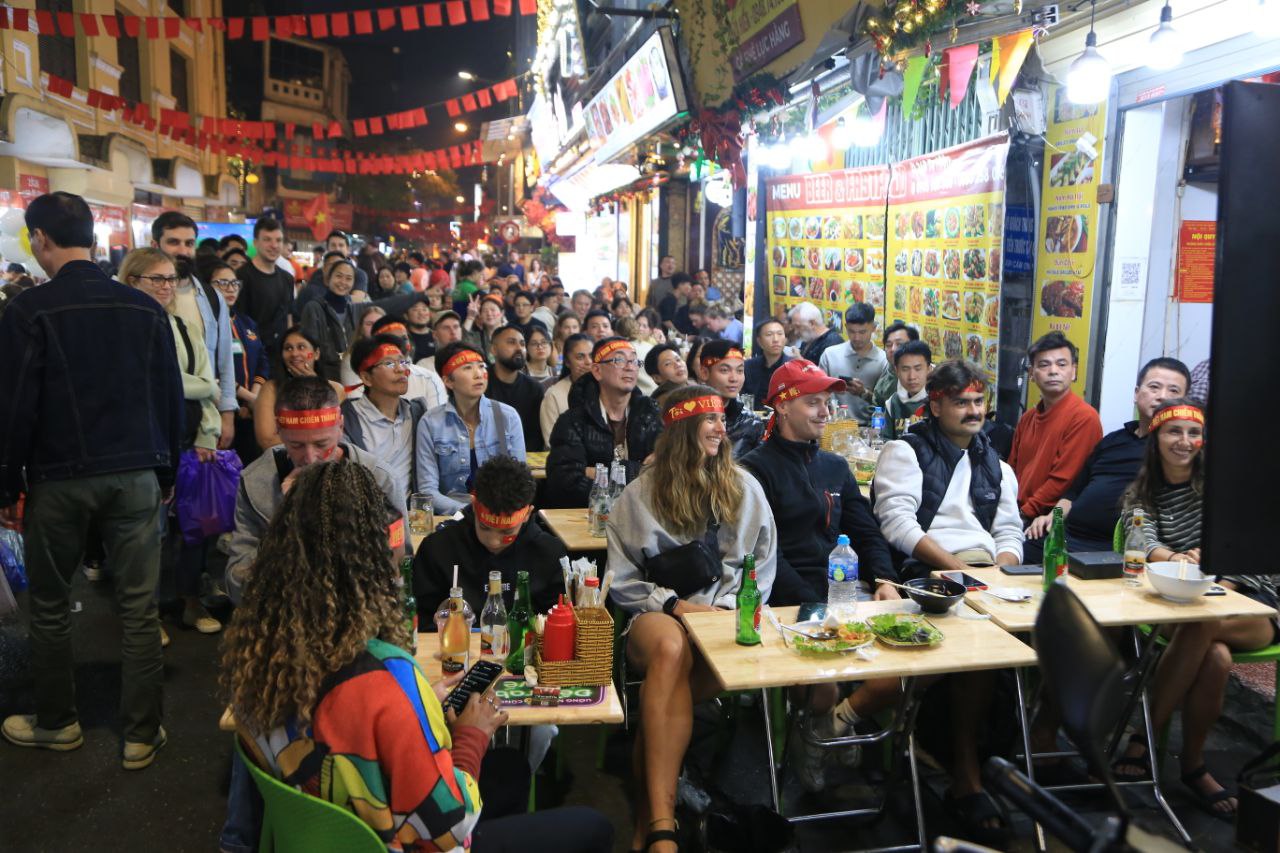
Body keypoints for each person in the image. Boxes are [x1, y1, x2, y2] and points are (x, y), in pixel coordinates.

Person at [222, 459, 612, 853]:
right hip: (401, 841)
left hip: (325, 832)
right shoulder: (389, 676)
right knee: (593, 826)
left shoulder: (262, 656)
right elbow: (451, 827)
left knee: (509, 770)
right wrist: (471, 737)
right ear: (373, 562)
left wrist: (419, 706)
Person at [0, 193, 183, 768]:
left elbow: (14, 406)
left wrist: (6, 484)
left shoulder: (29, 311)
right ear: (93, 237)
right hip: (136, 474)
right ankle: (141, 734)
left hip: (57, 478)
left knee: (51, 604)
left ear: (40, 239)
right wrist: (168, 471)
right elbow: (169, 397)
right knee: (139, 609)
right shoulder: (144, 308)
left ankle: (58, 722)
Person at [606, 383, 776, 852]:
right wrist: (675, 606)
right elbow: (620, 579)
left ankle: (648, 824)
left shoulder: (744, 488)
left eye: (722, 419)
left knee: (662, 699)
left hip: (722, 618)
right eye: (709, 420)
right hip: (657, 613)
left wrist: (725, 610)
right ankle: (665, 829)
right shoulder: (640, 494)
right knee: (670, 647)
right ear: (682, 428)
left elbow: (761, 567)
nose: (721, 429)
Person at [863, 360, 1023, 844]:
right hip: (925, 571)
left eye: (978, 401)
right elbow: (897, 523)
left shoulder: (998, 465)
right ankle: (967, 775)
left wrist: (1000, 571)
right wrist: (958, 571)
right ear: (935, 406)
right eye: (961, 402)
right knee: (980, 650)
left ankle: (1016, 754)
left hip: (989, 574)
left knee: (1060, 635)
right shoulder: (905, 451)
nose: (973, 411)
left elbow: (1009, 531)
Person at [1110, 399, 1277, 819]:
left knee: (1201, 623)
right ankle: (1193, 766)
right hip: (1179, 603)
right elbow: (1143, 542)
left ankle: (1142, 738)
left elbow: (1251, 555)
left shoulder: (1226, 491)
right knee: (1215, 656)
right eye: (1174, 431)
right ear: (1155, 438)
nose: (1184, 441)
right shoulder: (1140, 493)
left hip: (1252, 606)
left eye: (1193, 433)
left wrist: (1215, 579)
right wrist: (1179, 560)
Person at [738, 359, 900, 789]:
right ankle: (819, 729)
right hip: (787, 596)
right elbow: (764, 555)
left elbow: (867, 531)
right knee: (822, 684)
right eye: (813, 402)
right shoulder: (754, 470)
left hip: (846, 592)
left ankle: (834, 725)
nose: (825, 411)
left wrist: (884, 580)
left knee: (904, 670)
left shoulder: (834, 466)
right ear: (782, 407)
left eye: (827, 402)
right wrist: (816, 604)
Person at [121, 248, 224, 636]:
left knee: (195, 529)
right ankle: (146, 616)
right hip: (143, 445)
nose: (166, 286)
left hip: (190, 440)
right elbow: (150, 384)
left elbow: (208, 388)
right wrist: (203, 387)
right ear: (132, 280)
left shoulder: (184, 327)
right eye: (157, 279)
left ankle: (189, 602)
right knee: (149, 534)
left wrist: (208, 433)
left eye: (170, 279)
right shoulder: (122, 329)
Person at [227, 376, 401, 603]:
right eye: (296, 445)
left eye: (321, 444)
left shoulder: (380, 479)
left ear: (340, 427)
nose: (310, 458)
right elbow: (237, 584)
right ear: (279, 430)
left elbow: (398, 569)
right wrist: (288, 520)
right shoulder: (256, 482)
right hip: (283, 610)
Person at [1025, 357, 1190, 553]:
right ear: (1136, 394)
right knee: (1011, 557)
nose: (1162, 396)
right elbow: (1073, 494)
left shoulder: (1178, 451)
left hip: (1116, 548)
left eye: (1173, 391)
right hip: (1066, 536)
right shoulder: (1112, 440)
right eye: (1154, 387)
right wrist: (1053, 517)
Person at [415, 455, 566, 618]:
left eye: (507, 532)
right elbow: (422, 619)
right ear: (474, 506)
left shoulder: (549, 554)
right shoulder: (438, 550)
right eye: (485, 527)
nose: (494, 542)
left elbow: (556, 620)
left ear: (527, 515)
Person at [152, 211, 237, 452]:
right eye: (174, 242)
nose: (183, 251)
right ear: (155, 245)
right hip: (155, 413)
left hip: (202, 419)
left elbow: (224, 361)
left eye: (189, 243)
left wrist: (227, 415)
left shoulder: (212, 298)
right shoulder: (142, 295)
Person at [546, 337, 664, 507]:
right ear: (597, 370)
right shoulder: (573, 421)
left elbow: (664, 474)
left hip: (642, 514)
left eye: (634, 361)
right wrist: (638, 472)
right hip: (587, 516)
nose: (630, 367)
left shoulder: (650, 415)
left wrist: (596, 472)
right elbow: (565, 483)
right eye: (619, 360)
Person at [416, 342, 525, 515]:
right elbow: (427, 490)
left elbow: (520, 480)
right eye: (467, 368)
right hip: (453, 516)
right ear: (448, 381)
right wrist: (470, 511)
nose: (478, 374)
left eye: (481, 366)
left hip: (501, 513)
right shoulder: (430, 423)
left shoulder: (507, 416)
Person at [1008, 332, 1103, 523]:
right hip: (1016, 512)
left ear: (1073, 371)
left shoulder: (1084, 417)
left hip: (1051, 520)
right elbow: (1011, 471)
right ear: (1031, 374)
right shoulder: (1027, 418)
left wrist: (1023, 514)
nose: (1053, 371)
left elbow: (1063, 481)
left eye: (1061, 364)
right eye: (1044, 365)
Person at [340, 334, 431, 502]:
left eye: (403, 361)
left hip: (411, 513)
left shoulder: (417, 413)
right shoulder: (346, 419)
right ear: (366, 378)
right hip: (366, 511)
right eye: (389, 363)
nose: (401, 369)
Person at [201, 256, 270, 466]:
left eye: (234, 283)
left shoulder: (246, 322)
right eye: (222, 283)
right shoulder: (205, 325)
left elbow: (262, 360)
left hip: (252, 413)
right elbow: (211, 370)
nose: (230, 289)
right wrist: (249, 398)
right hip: (221, 411)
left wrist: (255, 396)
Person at [252, 326, 347, 451]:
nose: (294, 354)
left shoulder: (335, 389)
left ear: (316, 354)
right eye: (288, 348)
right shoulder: (271, 389)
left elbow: (335, 433)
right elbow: (267, 441)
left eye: (301, 347)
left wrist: (315, 386)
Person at [819, 302, 887, 425]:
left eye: (862, 332)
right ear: (845, 327)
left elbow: (885, 403)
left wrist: (863, 392)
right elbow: (819, 392)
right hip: (834, 425)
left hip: (869, 427)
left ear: (873, 327)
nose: (856, 337)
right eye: (851, 331)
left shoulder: (884, 360)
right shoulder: (830, 355)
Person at [235, 217, 295, 353]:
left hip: (280, 353)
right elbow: (237, 321)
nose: (274, 245)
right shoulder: (241, 276)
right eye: (267, 240)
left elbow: (288, 317)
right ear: (256, 243)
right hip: (252, 352)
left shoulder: (287, 278)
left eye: (278, 240)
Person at [486, 325, 546, 452]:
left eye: (522, 344)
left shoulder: (534, 389)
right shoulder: (480, 383)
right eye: (511, 342)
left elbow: (535, 439)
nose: (519, 348)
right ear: (494, 349)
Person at [698, 340, 763, 457]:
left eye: (740, 371)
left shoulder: (751, 423)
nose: (734, 378)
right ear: (704, 372)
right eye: (725, 370)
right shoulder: (686, 416)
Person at [368, 315, 447, 410]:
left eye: (404, 339)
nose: (401, 344)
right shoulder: (366, 379)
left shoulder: (429, 379)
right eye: (393, 340)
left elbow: (436, 418)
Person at [299, 257, 357, 383]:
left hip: (350, 375)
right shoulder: (313, 307)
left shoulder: (353, 309)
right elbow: (308, 347)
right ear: (328, 279)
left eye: (348, 278)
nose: (343, 282)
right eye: (338, 276)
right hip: (323, 376)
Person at [539, 333, 593, 447]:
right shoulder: (554, 395)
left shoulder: (607, 390)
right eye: (580, 357)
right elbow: (551, 443)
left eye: (592, 355)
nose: (588, 362)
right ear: (567, 362)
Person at [883, 340, 932, 441]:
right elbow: (884, 439)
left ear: (929, 369)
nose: (912, 377)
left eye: (918, 369)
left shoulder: (938, 400)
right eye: (905, 369)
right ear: (897, 371)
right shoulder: (893, 402)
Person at [872, 321, 920, 407]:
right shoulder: (885, 379)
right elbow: (875, 409)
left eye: (899, 344)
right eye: (888, 345)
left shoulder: (928, 375)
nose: (893, 349)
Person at [743, 318, 791, 403]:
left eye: (780, 334)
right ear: (759, 341)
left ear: (785, 339)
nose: (775, 339)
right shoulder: (748, 366)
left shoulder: (793, 367)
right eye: (769, 334)